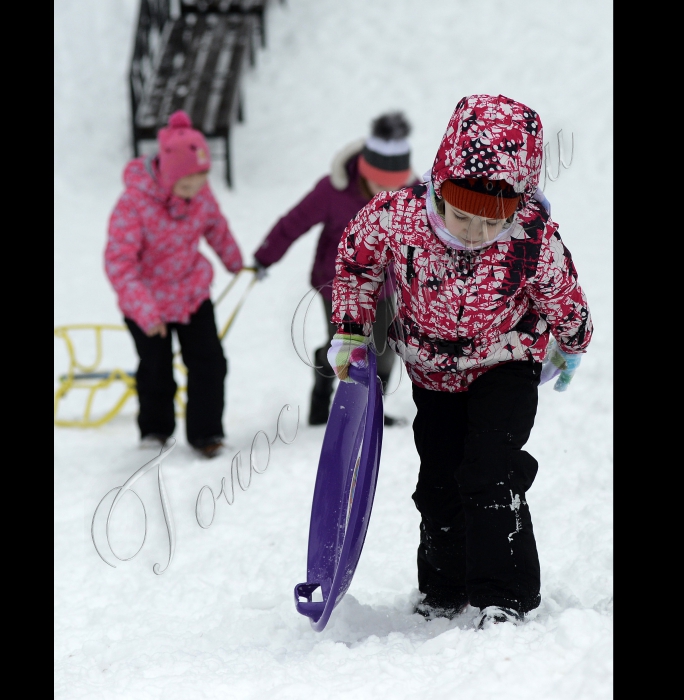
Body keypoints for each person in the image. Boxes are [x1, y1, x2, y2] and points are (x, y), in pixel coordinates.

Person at [327, 94, 593, 628]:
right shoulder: (398, 218)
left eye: (490, 222)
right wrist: (351, 331)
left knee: (490, 468)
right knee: (440, 479)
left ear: (516, 207)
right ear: (441, 188)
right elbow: (356, 263)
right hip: (432, 372)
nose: (474, 231)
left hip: (506, 362)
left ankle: (505, 595)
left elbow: (563, 292)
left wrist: (573, 342)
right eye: (463, 215)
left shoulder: (531, 238)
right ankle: (445, 587)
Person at [252, 112, 418, 426]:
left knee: (384, 349)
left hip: (383, 286)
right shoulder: (333, 191)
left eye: (393, 184)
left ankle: (370, 412)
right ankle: (321, 395)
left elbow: (435, 229)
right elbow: (293, 223)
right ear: (365, 170)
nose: (386, 190)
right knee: (345, 349)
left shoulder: (413, 192)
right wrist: (264, 257)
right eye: (379, 182)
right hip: (336, 285)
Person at [105, 110, 243, 458]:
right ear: (167, 175)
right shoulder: (133, 204)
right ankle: (155, 431)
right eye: (186, 185)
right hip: (147, 303)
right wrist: (145, 312)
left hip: (192, 293)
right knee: (156, 371)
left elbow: (214, 225)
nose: (194, 190)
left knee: (210, 363)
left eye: (201, 180)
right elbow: (119, 264)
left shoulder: (199, 192)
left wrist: (233, 260)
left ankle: (207, 433)